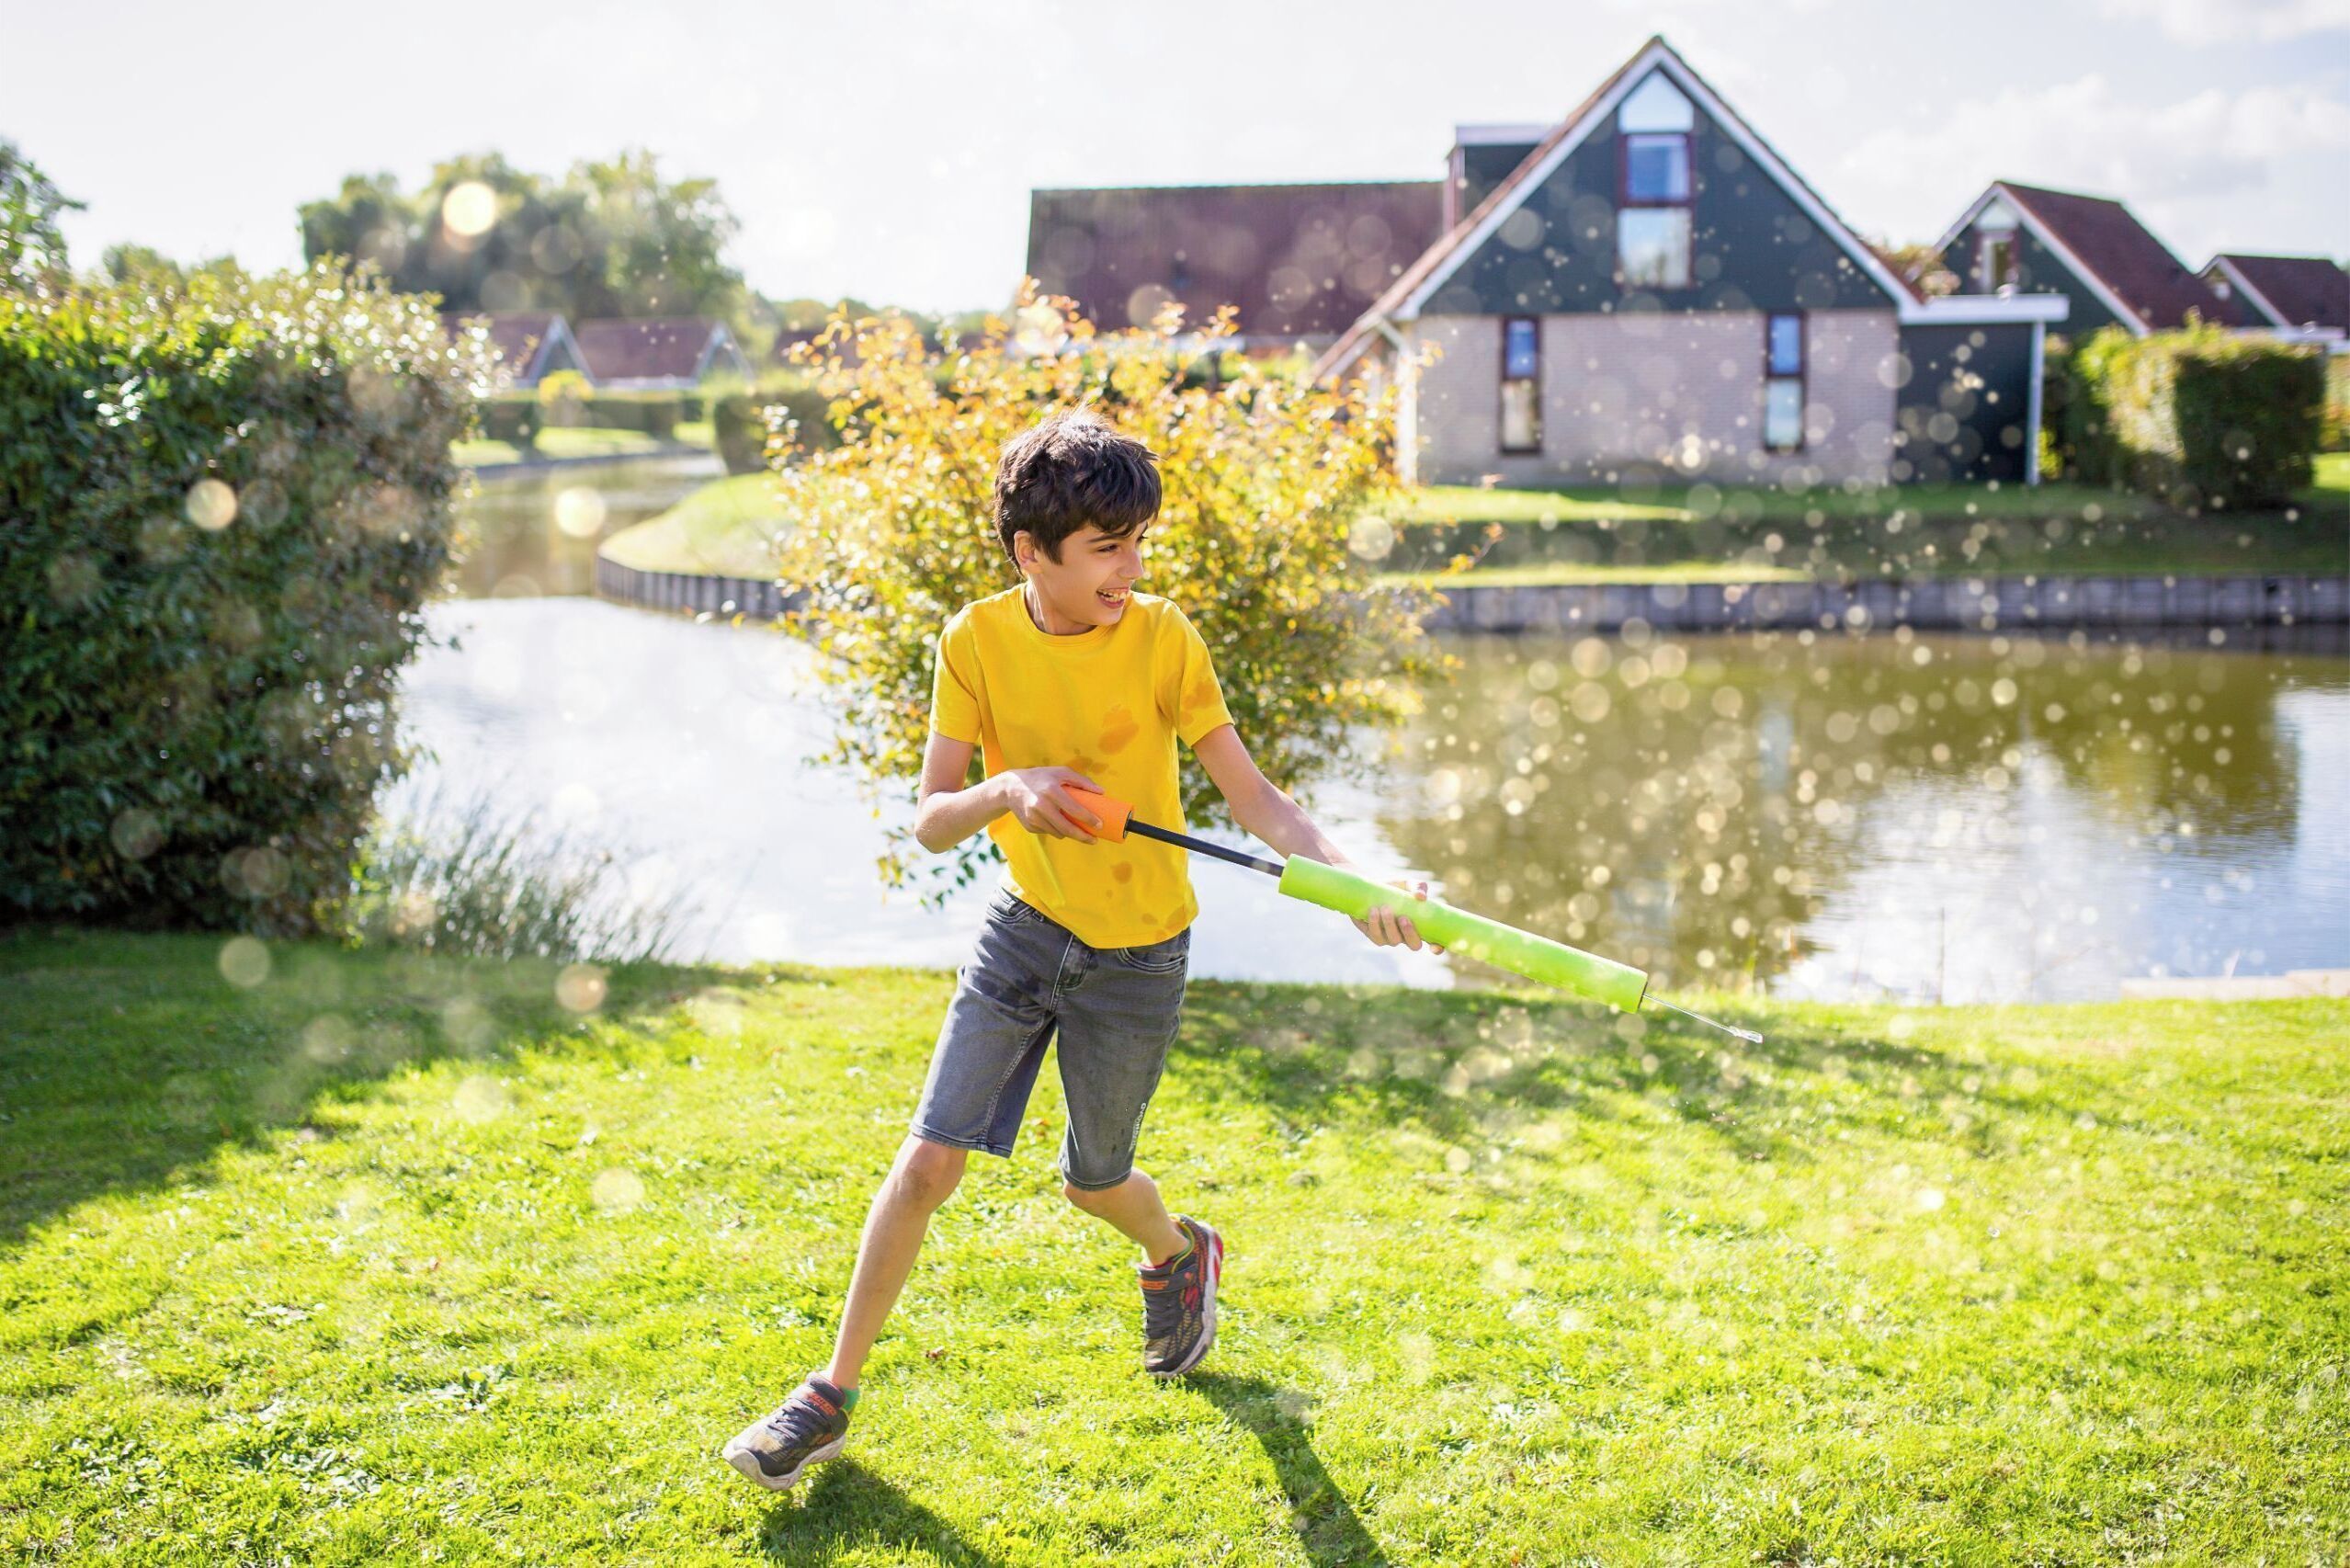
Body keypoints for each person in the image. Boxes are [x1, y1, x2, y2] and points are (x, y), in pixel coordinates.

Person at [723, 407, 1439, 1492]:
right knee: (928, 1160)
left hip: (1139, 954)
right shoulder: (972, 640)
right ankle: (828, 1395)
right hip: (1023, 929)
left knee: (1093, 1179)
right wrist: (1011, 788)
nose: (1132, 567)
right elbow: (929, 817)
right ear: (1031, 552)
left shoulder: (1163, 638)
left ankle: (1174, 1251)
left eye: (1140, 542)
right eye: (1109, 548)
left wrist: (1358, 888)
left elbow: (1256, 799)